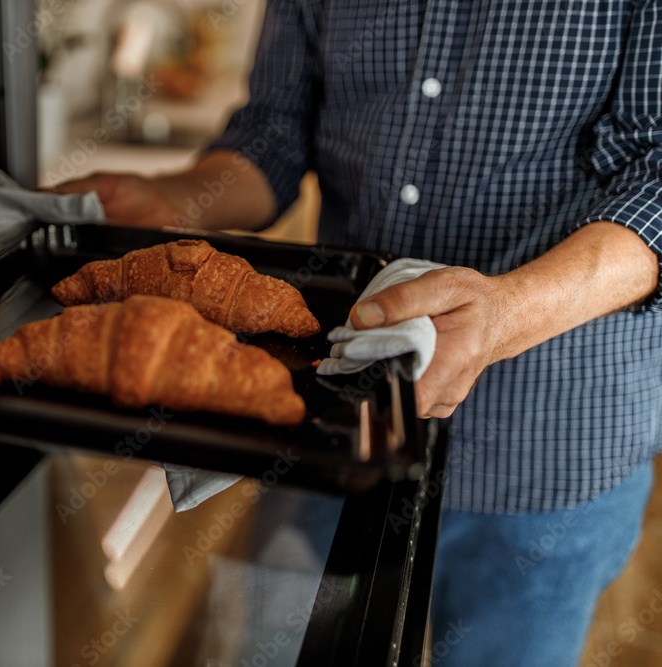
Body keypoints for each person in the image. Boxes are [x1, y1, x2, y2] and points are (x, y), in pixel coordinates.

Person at [53, 1, 662, 664]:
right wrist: (176, 199)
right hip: (338, 414)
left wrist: (510, 310)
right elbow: (276, 131)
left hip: (549, 439)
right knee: (281, 648)